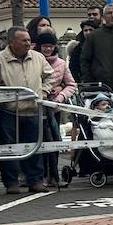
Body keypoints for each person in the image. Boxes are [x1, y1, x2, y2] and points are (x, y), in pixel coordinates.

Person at [0, 27, 54, 193]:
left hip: (33, 110)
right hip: (9, 112)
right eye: (24, 40)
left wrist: (44, 91)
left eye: (29, 40)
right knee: (9, 149)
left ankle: (35, 181)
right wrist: (3, 98)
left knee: (34, 148)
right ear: (11, 42)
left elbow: (50, 76)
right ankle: (11, 183)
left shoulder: (38, 57)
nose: (28, 43)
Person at [33, 31, 76, 187]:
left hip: (53, 109)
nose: (48, 49)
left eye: (51, 46)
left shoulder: (61, 64)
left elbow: (71, 85)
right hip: (36, 108)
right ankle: (42, 175)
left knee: (55, 142)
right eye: (45, 46)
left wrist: (60, 95)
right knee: (42, 143)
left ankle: (53, 176)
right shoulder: (33, 61)